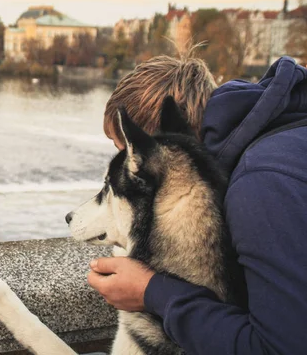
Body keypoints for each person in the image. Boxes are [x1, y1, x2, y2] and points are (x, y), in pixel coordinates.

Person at [88, 54, 307, 354]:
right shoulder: (277, 136)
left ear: (155, 155)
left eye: (126, 156)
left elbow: (278, 348)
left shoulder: (259, 184)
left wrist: (153, 291)